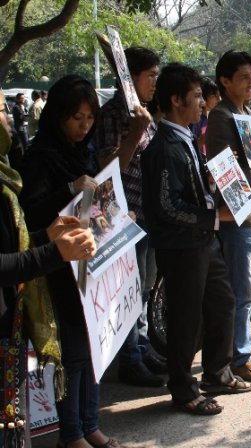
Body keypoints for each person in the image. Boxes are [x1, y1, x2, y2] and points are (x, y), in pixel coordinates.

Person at [142, 63, 251, 416]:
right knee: (186, 319)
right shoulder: (164, 146)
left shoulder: (185, 138)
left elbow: (191, 188)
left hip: (203, 240)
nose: (202, 103)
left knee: (223, 303)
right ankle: (183, 389)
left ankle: (217, 372)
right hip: (182, 245)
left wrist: (217, 179)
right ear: (176, 100)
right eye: (196, 96)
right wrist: (214, 216)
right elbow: (165, 206)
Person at [18, 75, 119, 448]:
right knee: (74, 352)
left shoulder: (82, 152)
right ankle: (72, 433)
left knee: (93, 348)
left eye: (90, 118)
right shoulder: (40, 157)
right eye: (77, 118)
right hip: (58, 269)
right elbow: (31, 216)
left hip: (90, 265)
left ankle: (90, 424)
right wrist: (68, 189)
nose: (85, 126)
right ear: (58, 115)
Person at [0, 99, 97, 447]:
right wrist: (53, 251)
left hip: (10, 323)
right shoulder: (37, 162)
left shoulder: (6, 176)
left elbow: (15, 243)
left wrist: (46, 236)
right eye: (0, 110)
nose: (8, 118)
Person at [92, 46, 166, 388]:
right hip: (123, 217)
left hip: (146, 214)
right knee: (126, 291)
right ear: (130, 77)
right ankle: (130, 359)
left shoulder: (144, 112)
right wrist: (136, 131)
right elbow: (109, 170)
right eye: (150, 75)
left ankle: (142, 346)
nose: (155, 82)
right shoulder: (113, 115)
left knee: (143, 288)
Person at [206, 50, 251, 383]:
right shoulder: (221, 117)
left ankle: (244, 344)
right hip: (240, 215)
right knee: (242, 288)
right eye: (243, 77)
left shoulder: (247, 113)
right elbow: (226, 169)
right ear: (225, 81)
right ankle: (238, 357)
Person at [190, 77, 221, 155]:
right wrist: (203, 138)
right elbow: (190, 149)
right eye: (213, 96)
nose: (219, 99)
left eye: (219, 95)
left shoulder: (217, 117)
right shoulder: (195, 120)